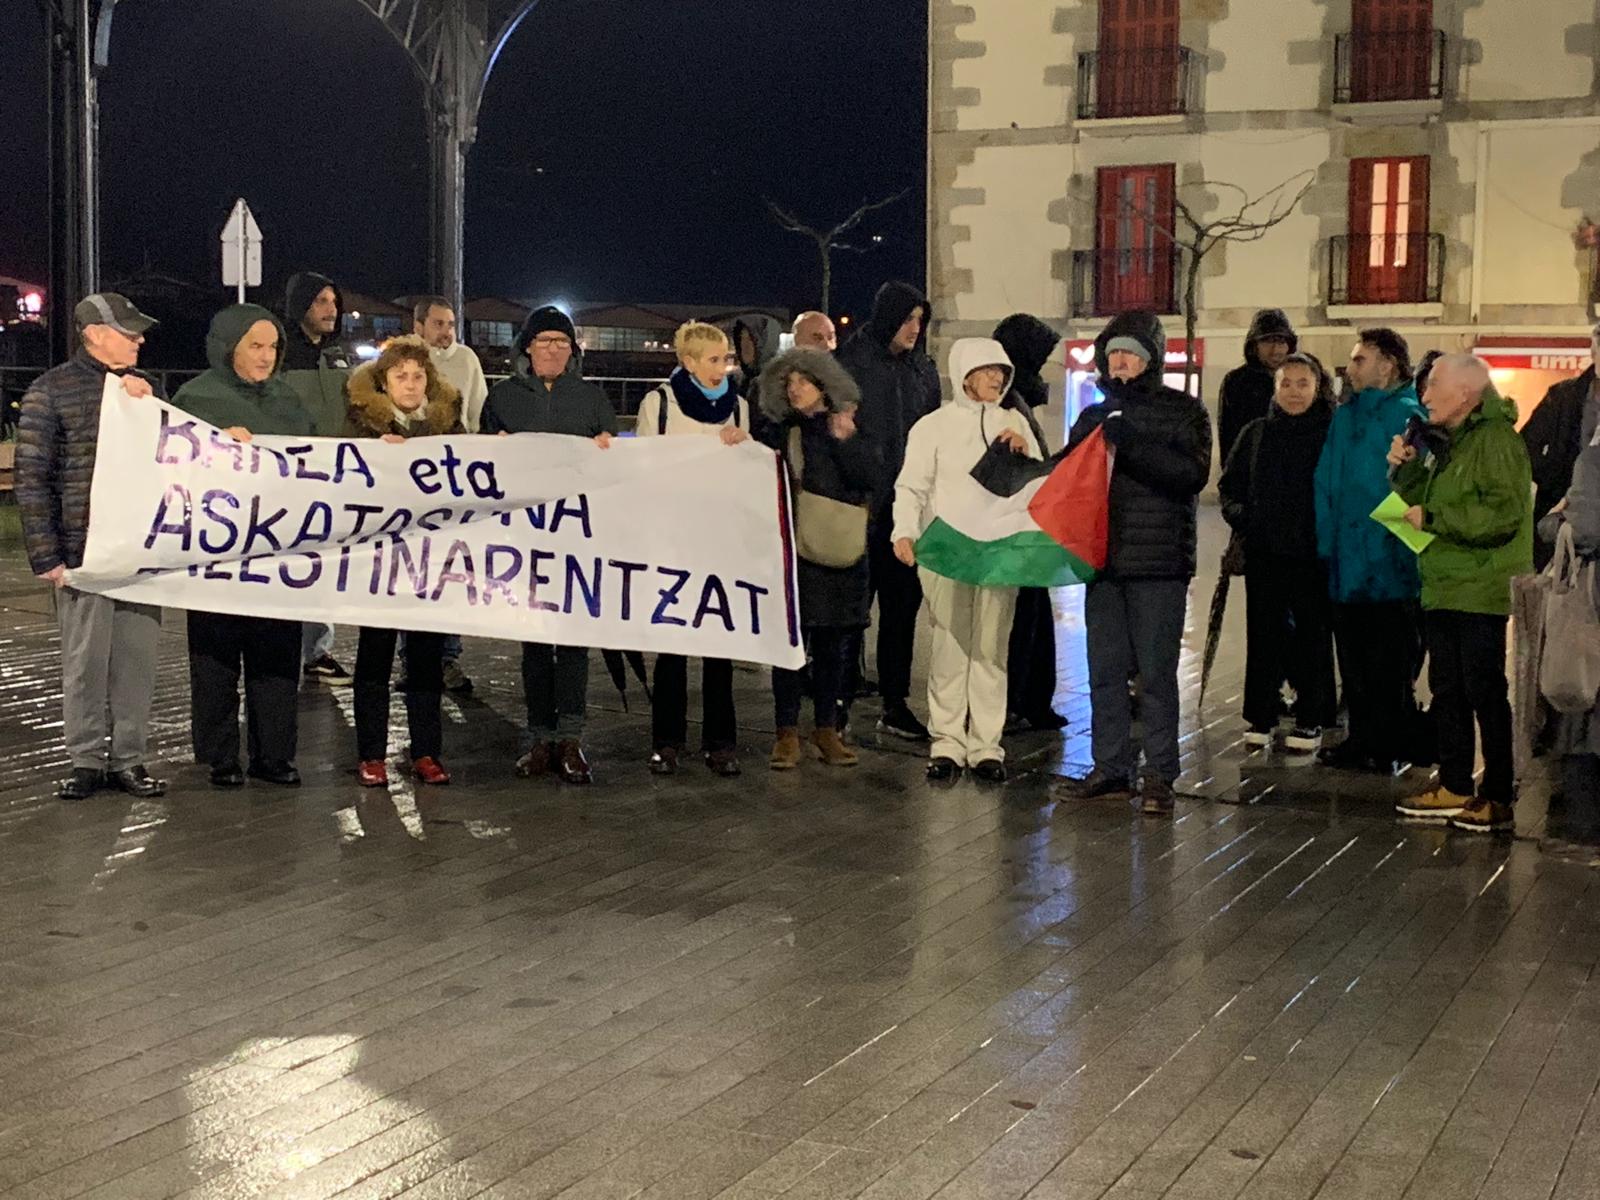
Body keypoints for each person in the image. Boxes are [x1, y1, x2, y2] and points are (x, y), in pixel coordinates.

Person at [16, 293, 169, 801]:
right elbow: (32, 479)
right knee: (84, 663)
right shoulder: (49, 391)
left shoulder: (143, 392)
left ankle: (129, 759)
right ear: (94, 334)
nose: (139, 339)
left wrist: (150, 406)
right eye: (128, 331)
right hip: (83, 555)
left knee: (136, 663)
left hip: (139, 554)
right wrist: (47, 556)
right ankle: (85, 760)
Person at [1058, 312, 1211, 816]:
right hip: (1103, 564)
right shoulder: (1094, 416)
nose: (1120, 361)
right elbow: (1063, 479)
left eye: (1130, 353)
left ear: (1150, 360)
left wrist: (1132, 445)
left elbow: (1190, 475)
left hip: (1158, 564)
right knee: (1104, 672)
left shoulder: (1184, 412)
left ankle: (1160, 774)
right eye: (1114, 354)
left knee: (1156, 675)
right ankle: (1111, 767)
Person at [171, 304, 316, 789]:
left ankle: (274, 755)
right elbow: (170, 464)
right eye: (255, 345)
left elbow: (320, 464)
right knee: (214, 659)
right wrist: (214, 446)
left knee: (277, 657)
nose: (266, 355)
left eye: (273, 346)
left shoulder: (289, 401)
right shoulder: (195, 399)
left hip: (277, 555)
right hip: (215, 555)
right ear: (228, 347)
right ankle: (220, 756)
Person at [1388, 355, 1532, 832]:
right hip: (1444, 582)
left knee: (1484, 690)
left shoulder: (1496, 441)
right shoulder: (1446, 440)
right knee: (1447, 689)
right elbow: (1416, 502)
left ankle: (1498, 794)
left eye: (1434, 386)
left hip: (1479, 585)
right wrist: (1405, 470)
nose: (1425, 396)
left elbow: (1503, 514)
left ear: (1465, 394)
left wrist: (1436, 520)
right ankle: (1454, 785)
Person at [894, 339, 1042, 782]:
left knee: (991, 647)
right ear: (965, 374)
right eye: (987, 370)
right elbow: (912, 485)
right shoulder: (933, 426)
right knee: (950, 645)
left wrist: (1027, 451)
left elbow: (1038, 484)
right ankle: (946, 742)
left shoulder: (1015, 421)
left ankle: (986, 745)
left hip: (999, 550)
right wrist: (904, 530)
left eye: (1001, 371)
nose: (997, 378)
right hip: (947, 550)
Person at [482, 305, 618, 786]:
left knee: (574, 640)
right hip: (527, 537)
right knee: (536, 641)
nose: (554, 350)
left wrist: (609, 445)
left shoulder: (592, 398)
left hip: (578, 537)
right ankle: (540, 736)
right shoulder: (503, 397)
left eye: (562, 342)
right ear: (528, 348)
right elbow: (480, 462)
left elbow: (614, 458)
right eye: (545, 342)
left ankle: (571, 738)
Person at [343, 336, 464, 787]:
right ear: (384, 383)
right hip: (379, 563)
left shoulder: (449, 426)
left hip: (429, 560)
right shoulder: (361, 427)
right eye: (401, 376)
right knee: (374, 656)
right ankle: (371, 754)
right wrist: (378, 456)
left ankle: (427, 751)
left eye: (417, 376)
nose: (411, 384)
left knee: (426, 659)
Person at [636, 322, 752, 776]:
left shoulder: (738, 408)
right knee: (672, 645)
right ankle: (667, 741)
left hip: (720, 541)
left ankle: (720, 742)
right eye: (713, 360)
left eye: (725, 359)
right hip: (673, 539)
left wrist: (744, 445)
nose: (722, 368)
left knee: (719, 645)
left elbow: (748, 473)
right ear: (688, 361)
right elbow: (643, 466)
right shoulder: (660, 403)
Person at [757, 348, 878, 769]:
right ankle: (786, 732)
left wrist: (847, 441)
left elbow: (871, 478)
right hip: (795, 553)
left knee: (833, 648)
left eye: (803, 381)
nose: (795, 390)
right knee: (791, 646)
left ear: (824, 385)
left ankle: (826, 728)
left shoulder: (849, 426)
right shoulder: (780, 432)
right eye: (789, 383)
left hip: (842, 550)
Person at [1313, 329, 1425, 774]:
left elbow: (1411, 489)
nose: (1351, 368)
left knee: (1389, 659)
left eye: (1360, 359)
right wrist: (1328, 543)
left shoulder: (1410, 416)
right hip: (1346, 559)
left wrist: (1397, 551)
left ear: (1388, 364)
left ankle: (1389, 741)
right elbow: (1326, 480)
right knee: (1354, 658)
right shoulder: (1345, 416)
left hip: (1389, 562)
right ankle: (1360, 738)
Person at [837, 280, 941, 742]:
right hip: (861, 506)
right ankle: (836, 703)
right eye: (907, 319)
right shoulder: (850, 364)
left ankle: (895, 704)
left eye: (920, 320)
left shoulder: (923, 370)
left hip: (906, 514)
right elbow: (838, 434)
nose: (914, 328)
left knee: (901, 611)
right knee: (851, 612)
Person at [1218, 352, 1336, 753]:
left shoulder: (1329, 434)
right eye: (1286, 383)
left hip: (1314, 554)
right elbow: (1229, 486)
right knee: (1263, 634)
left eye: (1303, 383)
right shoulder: (1256, 433)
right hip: (1265, 552)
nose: (1294, 392)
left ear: (1318, 388)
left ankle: (1311, 715)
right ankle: (1261, 714)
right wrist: (1245, 518)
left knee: (1313, 635)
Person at [992, 312, 1067, 733]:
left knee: (1034, 616)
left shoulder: (1022, 396)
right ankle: (1018, 701)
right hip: (1014, 524)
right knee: (1020, 619)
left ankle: (1034, 700)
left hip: (1030, 522)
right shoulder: (1007, 401)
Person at [281, 270, 355, 687]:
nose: (332, 310)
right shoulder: (281, 352)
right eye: (321, 301)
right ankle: (286, 647)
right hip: (292, 478)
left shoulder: (338, 354)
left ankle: (317, 650)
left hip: (334, 479)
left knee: (323, 564)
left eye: (334, 302)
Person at [409, 295, 486, 695]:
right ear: (419, 326)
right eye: (438, 323)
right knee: (411, 567)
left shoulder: (467, 360)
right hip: (412, 480)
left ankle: (448, 657)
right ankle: (412, 660)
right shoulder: (404, 360)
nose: (446, 331)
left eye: (451, 324)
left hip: (455, 477)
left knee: (451, 567)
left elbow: (477, 412)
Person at [1522, 319, 1600, 568]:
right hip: (1566, 516)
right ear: (1594, 353)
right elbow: (1526, 448)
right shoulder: (1563, 397)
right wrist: (1553, 480)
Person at [1217, 308, 1296, 468]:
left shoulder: (1301, 378)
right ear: (1254, 346)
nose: (1275, 350)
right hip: (1251, 473)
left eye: (1281, 342)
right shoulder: (1236, 382)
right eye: (1267, 342)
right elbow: (1229, 438)